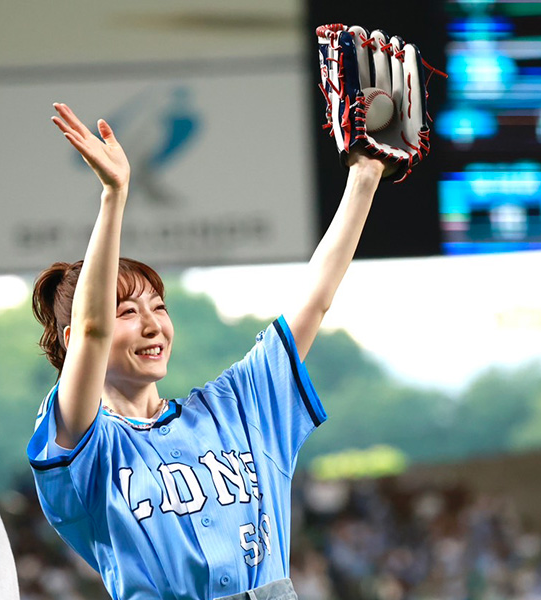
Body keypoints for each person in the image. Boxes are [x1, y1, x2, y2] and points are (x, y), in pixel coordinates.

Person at [27, 102, 387, 600]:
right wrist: (114, 196)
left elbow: (315, 300)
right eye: (127, 313)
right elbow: (90, 331)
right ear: (73, 343)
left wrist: (364, 176)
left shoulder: (236, 406)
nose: (153, 325)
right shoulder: (83, 444)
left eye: (158, 306)